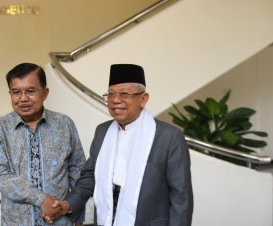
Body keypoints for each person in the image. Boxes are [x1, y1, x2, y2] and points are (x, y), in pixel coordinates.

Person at [46, 63, 194, 226]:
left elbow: (181, 197)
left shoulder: (169, 136)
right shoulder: (102, 132)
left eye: (124, 94)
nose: (116, 100)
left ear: (143, 99)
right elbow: (89, 176)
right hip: (106, 218)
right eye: (110, 94)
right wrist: (68, 204)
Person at [0, 62, 86, 225]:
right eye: (16, 92)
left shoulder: (64, 124)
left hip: (60, 221)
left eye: (31, 91)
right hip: (17, 222)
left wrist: (77, 217)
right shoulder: (1, 127)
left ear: (45, 93)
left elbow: (78, 171)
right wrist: (42, 200)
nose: (23, 98)